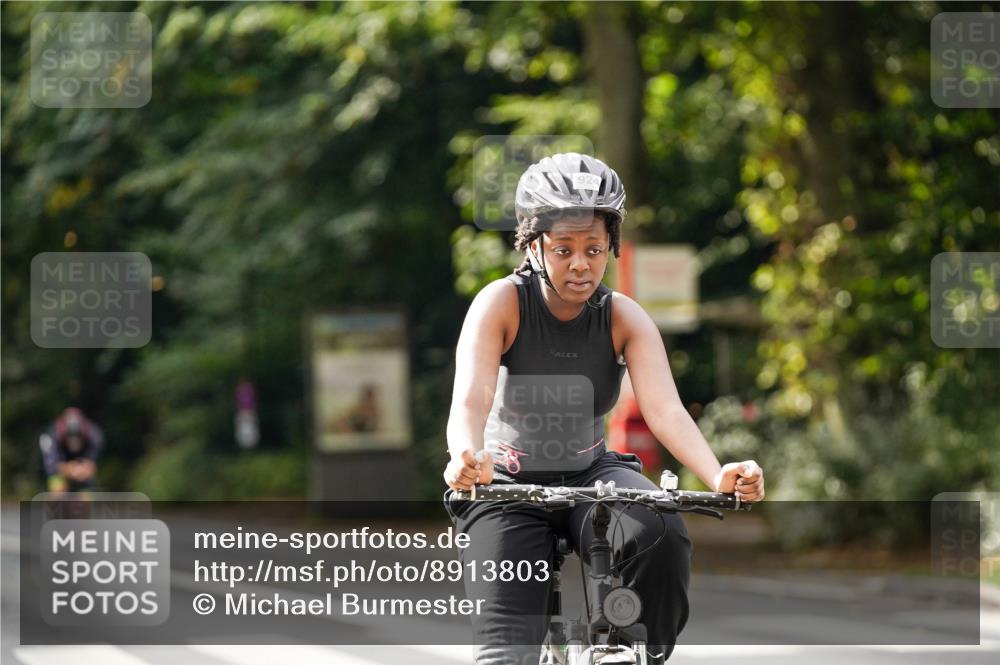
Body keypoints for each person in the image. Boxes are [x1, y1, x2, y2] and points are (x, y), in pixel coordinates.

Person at [443, 153, 765, 665]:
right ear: (533, 245)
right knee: (506, 651)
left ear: (611, 246)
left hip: (592, 474)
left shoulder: (623, 317)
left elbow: (666, 409)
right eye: (564, 249)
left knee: (661, 531)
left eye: (594, 249)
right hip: (505, 481)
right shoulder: (501, 303)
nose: (581, 264)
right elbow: (472, 397)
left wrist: (716, 473)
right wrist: (466, 456)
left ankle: (628, 652)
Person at [39, 407, 103, 494]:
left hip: (82, 472)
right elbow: (51, 466)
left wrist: (83, 470)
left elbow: (92, 464)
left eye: (77, 435)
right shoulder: (52, 436)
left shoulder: (94, 436)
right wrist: (69, 470)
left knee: (87, 492)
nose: (73, 440)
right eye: (70, 435)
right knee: (57, 490)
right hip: (60, 469)